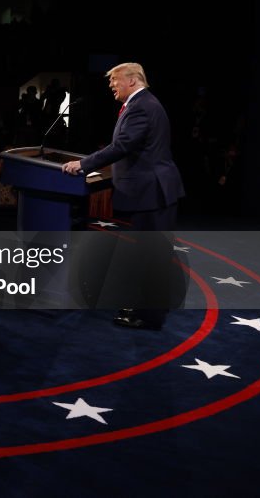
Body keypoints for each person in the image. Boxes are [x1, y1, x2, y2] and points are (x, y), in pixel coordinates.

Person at [61, 62, 185, 329]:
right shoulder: (145, 103)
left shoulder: (141, 106)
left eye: (114, 80)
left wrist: (83, 164)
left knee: (151, 253)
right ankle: (151, 306)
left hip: (153, 191)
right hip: (155, 190)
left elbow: (123, 145)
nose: (110, 85)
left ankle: (148, 316)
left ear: (132, 80)